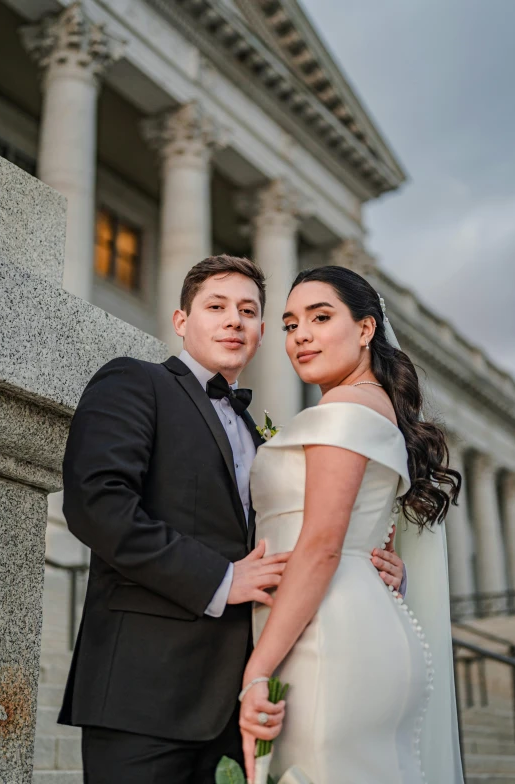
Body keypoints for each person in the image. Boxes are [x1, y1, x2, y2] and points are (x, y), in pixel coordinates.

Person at [57, 255, 406, 784]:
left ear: (262, 331)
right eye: (215, 306)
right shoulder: (135, 381)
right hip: (143, 693)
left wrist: (370, 560)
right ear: (181, 322)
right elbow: (96, 503)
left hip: (240, 703)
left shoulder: (261, 430)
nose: (233, 320)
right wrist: (222, 577)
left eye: (248, 311)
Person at [239, 265, 465, 784]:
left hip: (325, 638)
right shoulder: (372, 405)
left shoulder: (343, 409)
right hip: (352, 624)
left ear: (366, 329)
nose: (302, 336)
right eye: (292, 324)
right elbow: (364, 531)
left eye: (321, 317)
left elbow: (320, 548)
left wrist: (256, 672)